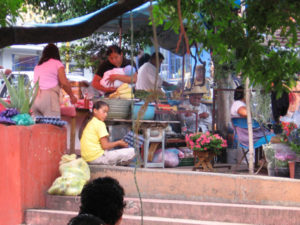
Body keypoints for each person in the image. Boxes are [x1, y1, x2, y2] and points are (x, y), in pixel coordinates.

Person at [80, 100, 135, 165]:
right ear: (95, 110)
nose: (106, 115)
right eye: (104, 112)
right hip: (96, 159)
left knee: (112, 152)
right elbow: (105, 146)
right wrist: (118, 143)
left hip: (86, 158)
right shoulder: (100, 124)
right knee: (133, 151)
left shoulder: (91, 122)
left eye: (107, 112)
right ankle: (115, 168)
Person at [31, 43, 77, 117]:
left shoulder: (38, 66)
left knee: (38, 127)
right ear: (56, 53)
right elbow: (64, 82)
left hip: (35, 99)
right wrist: (72, 96)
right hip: (49, 99)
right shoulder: (57, 64)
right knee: (52, 127)